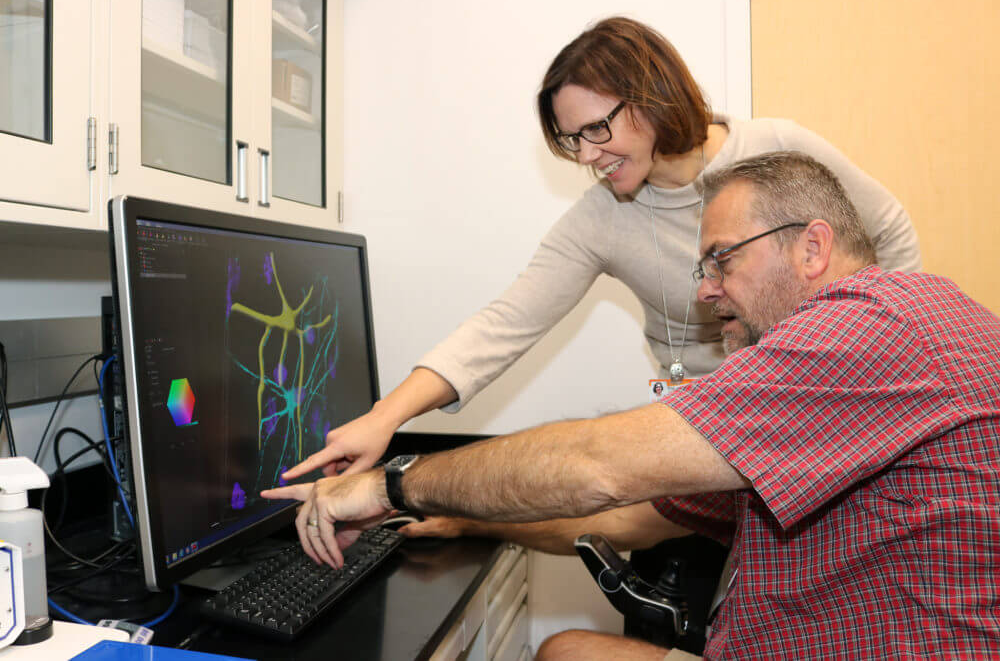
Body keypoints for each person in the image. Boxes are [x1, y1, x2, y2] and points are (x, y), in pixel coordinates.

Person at [264, 152, 1000, 660]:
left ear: (812, 247)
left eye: (722, 260)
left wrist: (391, 481)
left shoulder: (864, 328)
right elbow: (626, 514)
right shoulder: (873, 352)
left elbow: (598, 467)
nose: (705, 290)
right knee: (565, 650)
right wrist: (458, 515)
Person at [286, 16, 921, 481]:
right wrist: (384, 418)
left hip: (816, 414)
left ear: (652, 97)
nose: (587, 156)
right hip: (709, 438)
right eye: (572, 140)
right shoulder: (603, 217)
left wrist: (876, 367)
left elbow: (889, 231)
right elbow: (504, 325)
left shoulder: (777, 147)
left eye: (597, 128)